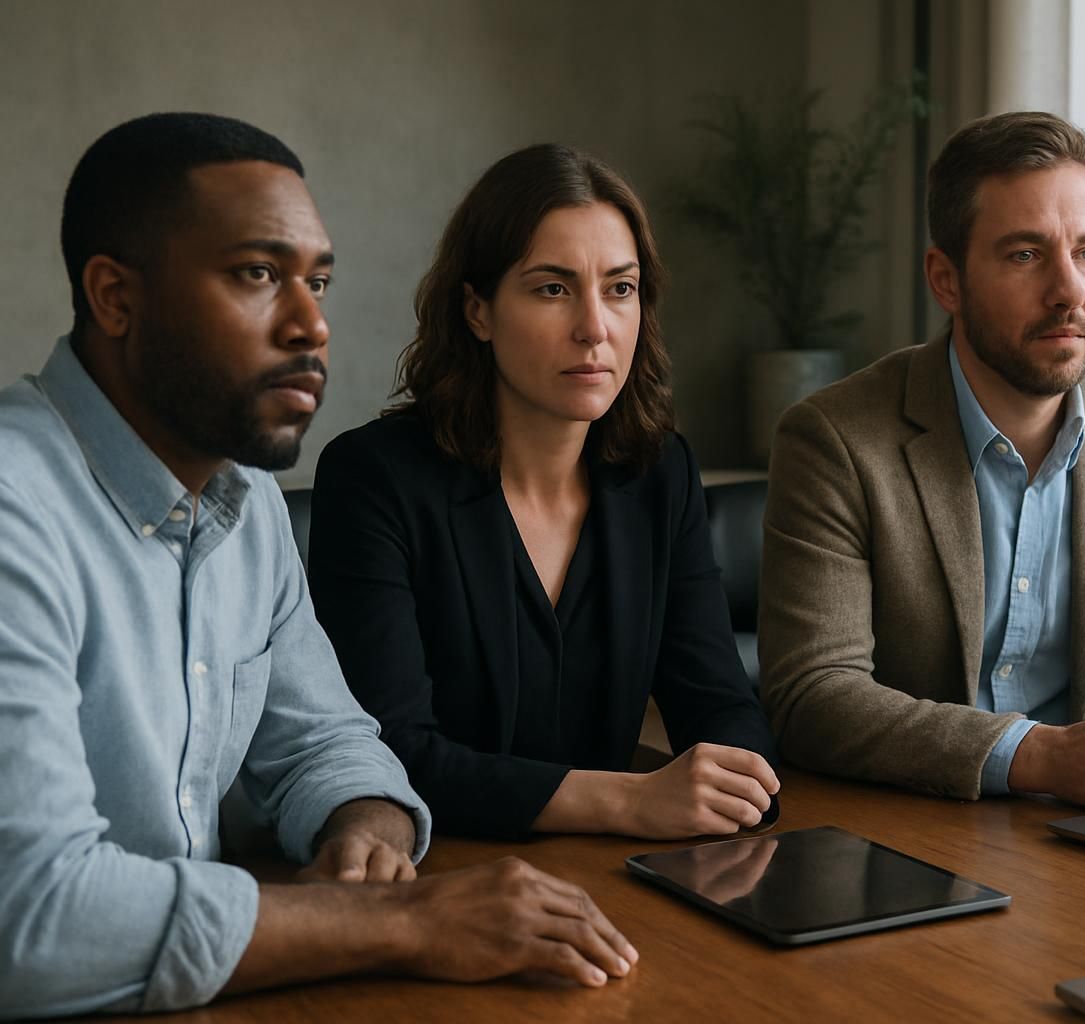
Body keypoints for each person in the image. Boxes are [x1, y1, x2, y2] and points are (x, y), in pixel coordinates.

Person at [0, 114, 636, 1019]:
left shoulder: (246, 498)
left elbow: (326, 743)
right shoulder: (14, 506)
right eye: (258, 275)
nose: (312, 325)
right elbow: (33, 918)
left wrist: (363, 829)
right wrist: (399, 923)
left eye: (319, 280)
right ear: (114, 297)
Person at [758, 111, 1085, 806]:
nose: (1068, 291)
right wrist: (1045, 756)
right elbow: (815, 695)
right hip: (919, 834)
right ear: (946, 279)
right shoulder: (836, 441)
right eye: (1026, 255)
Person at [307, 144, 780, 842]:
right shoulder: (374, 478)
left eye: (620, 289)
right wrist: (626, 802)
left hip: (613, 872)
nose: (595, 327)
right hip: (442, 870)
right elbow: (390, 754)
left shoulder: (658, 472)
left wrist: (742, 783)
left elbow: (719, 701)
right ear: (478, 310)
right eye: (552, 288)